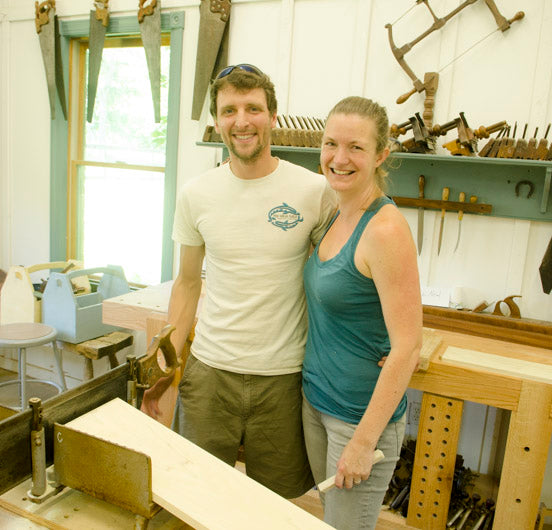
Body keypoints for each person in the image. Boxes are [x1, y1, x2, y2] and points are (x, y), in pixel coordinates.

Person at [141, 63, 337, 499]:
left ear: (272, 116)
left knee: (275, 504)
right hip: (210, 374)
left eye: (253, 108)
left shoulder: (314, 191)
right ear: (216, 120)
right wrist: (167, 364)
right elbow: (187, 283)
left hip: (284, 378)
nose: (242, 121)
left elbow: (335, 283)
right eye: (229, 110)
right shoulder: (197, 194)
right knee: (196, 494)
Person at [301, 96, 423, 529]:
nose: (339, 158)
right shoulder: (336, 213)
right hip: (316, 403)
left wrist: (363, 440)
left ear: (381, 155)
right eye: (331, 143)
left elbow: (408, 346)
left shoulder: (385, 230)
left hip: (357, 421)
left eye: (355, 147)